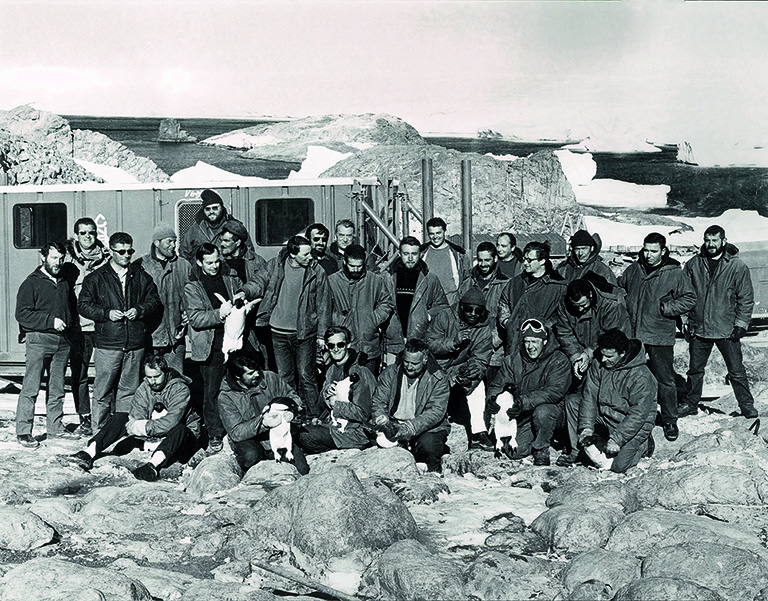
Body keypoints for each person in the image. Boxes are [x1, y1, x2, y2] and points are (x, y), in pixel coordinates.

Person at [63, 353, 201, 481]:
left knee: (180, 429)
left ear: (165, 373)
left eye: (157, 376)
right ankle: (89, 453)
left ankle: (152, 466)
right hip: (155, 434)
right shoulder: (145, 387)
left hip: (181, 438)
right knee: (121, 417)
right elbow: (136, 416)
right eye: (149, 377)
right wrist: (140, 426)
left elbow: (172, 422)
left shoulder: (180, 389)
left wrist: (144, 427)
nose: (153, 381)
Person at [78, 232, 161, 433]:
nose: (126, 255)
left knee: (128, 393)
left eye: (129, 251)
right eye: (121, 251)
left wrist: (139, 310)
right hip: (108, 344)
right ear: (111, 252)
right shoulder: (96, 278)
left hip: (134, 345)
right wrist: (106, 314)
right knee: (102, 392)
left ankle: (122, 432)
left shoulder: (141, 277)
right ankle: (99, 434)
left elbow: (155, 302)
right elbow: (83, 305)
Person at [618, 232, 696, 442]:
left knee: (665, 379)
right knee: (631, 377)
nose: (649, 255)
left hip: (660, 334)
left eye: (654, 251)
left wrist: (667, 308)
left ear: (663, 251)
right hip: (634, 335)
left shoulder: (674, 273)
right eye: (646, 250)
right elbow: (620, 286)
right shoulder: (634, 269)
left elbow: (689, 298)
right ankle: (631, 417)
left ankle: (670, 419)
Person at [243, 235, 331, 418]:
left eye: (311, 253)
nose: (310, 257)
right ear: (292, 254)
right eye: (306, 254)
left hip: (304, 332)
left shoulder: (317, 271)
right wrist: (244, 291)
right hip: (278, 332)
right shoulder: (275, 265)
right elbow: (258, 282)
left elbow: (324, 305)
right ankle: (291, 414)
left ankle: (315, 416)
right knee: (285, 377)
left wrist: (322, 335)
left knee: (306, 376)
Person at [681, 225, 757, 418]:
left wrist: (741, 324)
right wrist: (684, 321)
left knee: (736, 370)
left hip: (727, 329)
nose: (711, 244)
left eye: (715, 240)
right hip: (699, 328)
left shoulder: (737, 266)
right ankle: (691, 403)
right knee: (695, 370)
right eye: (707, 240)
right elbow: (682, 295)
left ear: (723, 240)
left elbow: (746, 298)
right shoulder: (693, 264)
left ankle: (746, 405)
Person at [563, 329, 657, 473]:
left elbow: (638, 414)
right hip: (605, 415)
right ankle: (578, 450)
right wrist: (586, 427)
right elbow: (590, 397)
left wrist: (617, 439)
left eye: (609, 356)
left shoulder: (642, 376)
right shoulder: (598, 364)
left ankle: (644, 444)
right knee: (573, 402)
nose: (603, 360)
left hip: (632, 423)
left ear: (623, 353)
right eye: (602, 354)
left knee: (618, 467)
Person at [15, 242, 77, 447]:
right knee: (31, 387)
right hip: (39, 340)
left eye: (61, 258)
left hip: (62, 342)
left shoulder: (64, 282)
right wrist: (50, 321)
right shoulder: (31, 283)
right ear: (43, 257)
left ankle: (55, 427)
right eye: (53, 258)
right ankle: (24, 431)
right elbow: (22, 314)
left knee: (57, 387)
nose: (57, 263)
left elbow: (71, 308)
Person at [486, 319, 572, 465]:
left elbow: (553, 392)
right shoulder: (512, 361)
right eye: (527, 342)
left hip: (553, 411)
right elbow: (497, 385)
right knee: (514, 451)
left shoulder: (559, 360)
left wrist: (523, 402)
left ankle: (542, 447)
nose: (530, 347)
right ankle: (535, 433)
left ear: (544, 341)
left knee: (543, 412)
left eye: (534, 341)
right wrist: (493, 399)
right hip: (522, 413)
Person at [184, 243, 243, 453]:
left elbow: (241, 297)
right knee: (212, 392)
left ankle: (237, 430)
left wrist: (241, 300)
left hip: (234, 343)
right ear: (200, 263)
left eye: (217, 261)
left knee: (236, 387)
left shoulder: (230, 279)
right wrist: (220, 313)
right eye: (209, 263)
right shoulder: (193, 287)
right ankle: (214, 434)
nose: (214, 266)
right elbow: (196, 318)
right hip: (211, 346)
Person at [217, 351, 308, 474]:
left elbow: (292, 396)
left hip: (277, 433)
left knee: (301, 469)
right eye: (250, 373)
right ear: (238, 377)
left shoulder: (270, 378)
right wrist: (263, 423)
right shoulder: (226, 397)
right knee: (251, 456)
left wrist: (291, 409)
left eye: (257, 369)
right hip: (247, 437)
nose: (257, 374)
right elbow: (236, 432)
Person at [426, 287, 493, 450]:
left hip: (460, 367)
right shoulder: (445, 316)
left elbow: (481, 358)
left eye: (478, 311)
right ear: (461, 306)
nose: (473, 314)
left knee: (477, 384)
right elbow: (430, 344)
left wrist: (474, 371)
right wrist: (453, 342)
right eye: (469, 309)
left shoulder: (483, 328)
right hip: (435, 366)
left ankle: (478, 433)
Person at [371, 339, 450, 472]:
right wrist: (381, 418)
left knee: (429, 445)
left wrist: (410, 428)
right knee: (371, 438)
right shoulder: (390, 373)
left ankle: (433, 471)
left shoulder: (438, 379)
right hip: (394, 423)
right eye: (406, 361)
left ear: (425, 360)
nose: (409, 366)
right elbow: (379, 401)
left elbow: (435, 411)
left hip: (423, 426)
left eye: (414, 363)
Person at [297, 326, 376, 454]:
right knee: (301, 432)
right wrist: (325, 394)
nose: (336, 349)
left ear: (348, 344)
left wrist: (336, 404)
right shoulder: (331, 370)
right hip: (335, 425)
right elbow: (321, 405)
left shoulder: (359, 372)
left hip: (355, 432)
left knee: (306, 436)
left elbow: (364, 414)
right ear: (327, 347)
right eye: (331, 346)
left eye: (340, 344)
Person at [66, 217, 110, 436]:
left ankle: (104, 413)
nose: (87, 237)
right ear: (76, 235)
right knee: (80, 373)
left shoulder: (107, 259)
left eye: (91, 233)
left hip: (102, 325)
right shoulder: (68, 260)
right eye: (82, 233)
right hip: (79, 328)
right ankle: (83, 415)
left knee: (106, 372)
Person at [328, 244, 394, 376]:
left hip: (368, 345)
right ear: (344, 262)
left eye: (359, 266)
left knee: (369, 386)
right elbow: (325, 308)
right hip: (342, 347)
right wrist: (339, 321)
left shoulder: (375, 280)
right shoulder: (332, 281)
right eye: (352, 266)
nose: (356, 270)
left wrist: (373, 319)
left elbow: (386, 303)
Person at [136, 223, 192, 374]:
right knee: (151, 379)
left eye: (174, 241)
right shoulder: (141, 266)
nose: (173, 245)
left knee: (175, 378)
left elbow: (192, 295)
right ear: (156, 243)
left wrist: (188, 313)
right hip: (151, 336)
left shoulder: (183, 265)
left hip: (175, 336)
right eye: (169, 241)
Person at [554, 278, 630, 384]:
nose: (580, 310)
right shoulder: (564, 303)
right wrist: (576, 356)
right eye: (576, 306)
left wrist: (588, 353)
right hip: (581, 351)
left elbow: (611, 337)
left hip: (607, 352)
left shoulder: (610, 304)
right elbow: (564, 332)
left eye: (583, 305)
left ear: (590, 294)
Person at [383, 236, 449, 358]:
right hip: (393, 341)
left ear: (420, 254)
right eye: (406, 253)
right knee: (391, 375)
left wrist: (427, 315)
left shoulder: (429, 278)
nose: (410, 258)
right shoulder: (388, 277)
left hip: (418, 340)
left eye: (414, 254)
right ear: (399, 254)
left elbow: (443, 306)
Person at [498, 241, 567, 354]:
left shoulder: (558, 286)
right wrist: (507, 322)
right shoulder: (515, 282)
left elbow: (563, 314)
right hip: (514, 344)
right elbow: (504, 302)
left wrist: (545, 326)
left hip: (542, 346)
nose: (525, 263)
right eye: (524, 259)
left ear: (542, 261)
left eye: (529, 260)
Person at [457, 242, 511, 380]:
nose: (483, 264)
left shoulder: (505, 284)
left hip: (494, 352)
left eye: (487, 260)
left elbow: (508, 320)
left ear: (495, 259)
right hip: (467, 348)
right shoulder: (467, 282)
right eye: (480, 260)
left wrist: (492, 341)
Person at [179, 189, 254, 262]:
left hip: (228, 272)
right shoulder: (195, 229)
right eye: (207, 209)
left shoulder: (235, 227)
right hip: (201, 273)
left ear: (221, 208)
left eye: (215, 208)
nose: (211, 212)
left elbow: (249, 252)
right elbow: (184, 254)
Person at [420, 217, 470, 307]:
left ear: (444, 231)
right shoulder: (422, 253)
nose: (435, 237)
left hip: (451, 303)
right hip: (428, 304)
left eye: (438, 233)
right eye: (432, 234)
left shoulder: (458, 254)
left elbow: (467, 281)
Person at [219, 220, 267, 285]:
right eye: (221, 240)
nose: (222, 244)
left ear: (237, 242)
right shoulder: (218, 260)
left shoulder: (257, 261)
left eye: (226, 241)